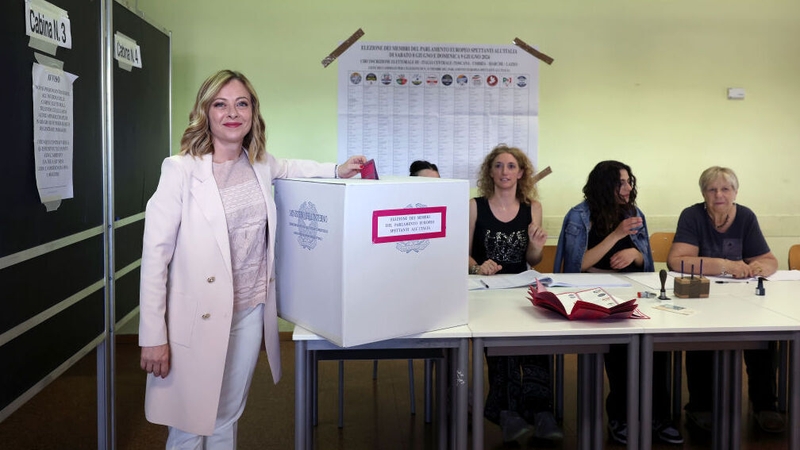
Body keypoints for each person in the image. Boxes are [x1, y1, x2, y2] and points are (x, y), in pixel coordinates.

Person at [138, 69, 365, 448]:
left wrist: (337, 170)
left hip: (247, 312)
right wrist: (152, 336)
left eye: (241, 103)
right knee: (190, 421)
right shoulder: (180, 170)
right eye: (221, 104)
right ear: (205, 112)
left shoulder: (259, 163)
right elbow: (154, 258)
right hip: (196, 317)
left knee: (228, 413)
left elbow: (293, 168)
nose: (232, 112)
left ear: (252, 113)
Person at [553, 160, 684, 445]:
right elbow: (575, 267)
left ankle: (657, 416)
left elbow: (645, 262)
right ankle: (620, 416)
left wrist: (633, 257)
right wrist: (617, 236)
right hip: (595, 295)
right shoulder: (580, 216)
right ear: (604, 186)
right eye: (620, 183)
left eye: (629, 182)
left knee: (656, 345)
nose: (627, 188)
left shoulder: (634, 213)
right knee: (620, 349)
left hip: (634, 290)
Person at [667, 166, 783, 434]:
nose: (719, 194)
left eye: (725, 189)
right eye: (712, 189)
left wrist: (760, 268)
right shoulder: (692, 215)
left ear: (735, 192)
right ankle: (700, 407)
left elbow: (768, 259)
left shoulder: (746, 216)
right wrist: (725, 265)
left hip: (742, 299)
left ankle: (766, 405)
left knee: (764, 334)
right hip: (702, 298)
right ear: (703, 193)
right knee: (700, 336)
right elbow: (678, 260)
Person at [468, 144, 562, 444]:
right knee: (501, 346)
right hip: (485, 289)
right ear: (490, 172)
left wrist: (536, 244)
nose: (504, 172)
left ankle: (541, 412)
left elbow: (533, 260)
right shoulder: (475, 205)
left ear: (521, 173)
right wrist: (478, 267)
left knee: (535, 343)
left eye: (510, 166)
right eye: (498, 166)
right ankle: (506, 413)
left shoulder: (532, 207)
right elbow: (461, 254)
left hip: (520, 287)